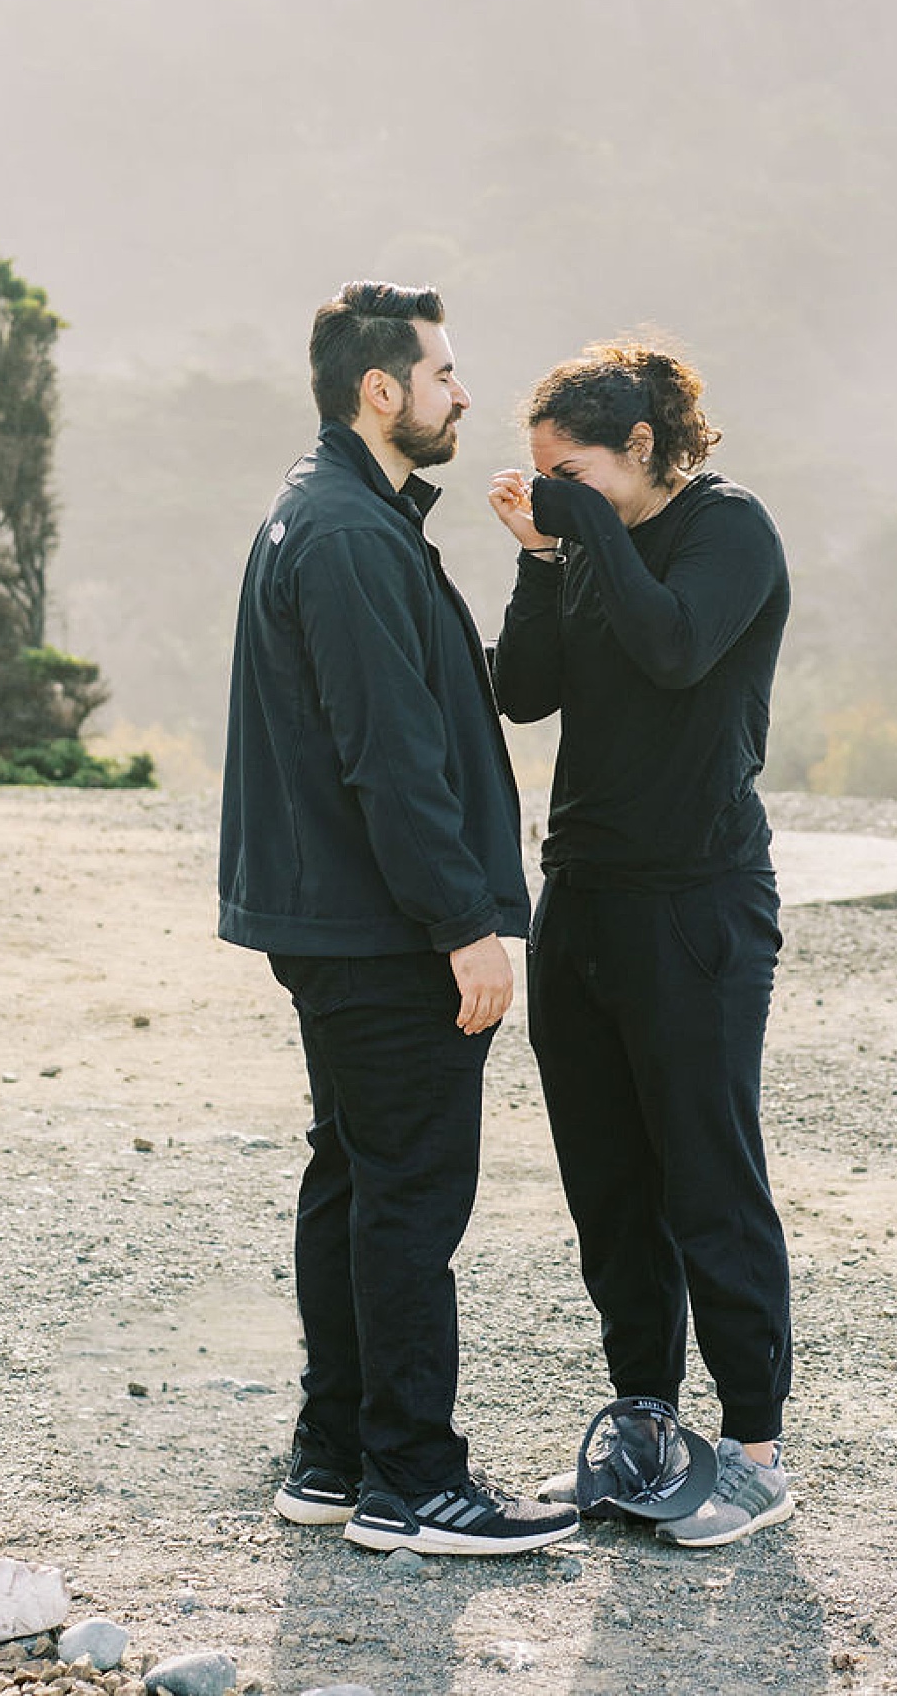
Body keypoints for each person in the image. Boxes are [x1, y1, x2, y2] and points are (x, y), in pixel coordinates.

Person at [219, 280, 578, 1557]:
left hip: (342, 923)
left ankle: (334, 1455)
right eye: (443, 373)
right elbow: (391, 755)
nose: (461, 392)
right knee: (413, 1199)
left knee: (358, 1180)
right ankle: (415, 1480)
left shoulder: (333, 513)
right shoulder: (352, 534)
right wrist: (462, 922)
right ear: (383, 389)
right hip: (382, 930)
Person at [488, 340, 796, 1549]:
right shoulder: (584, 545)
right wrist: (542, 557)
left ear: (649, 450)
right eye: (540, 472)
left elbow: (674, 647)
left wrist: (587, 539)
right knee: (610, 1184)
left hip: (698, 898)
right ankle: (647, 1426)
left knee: (707, 1176)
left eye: (575, 472)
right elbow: (521, 689)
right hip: (584, 893)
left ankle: (758, 1453)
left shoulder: (733, 533)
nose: (555, 490)